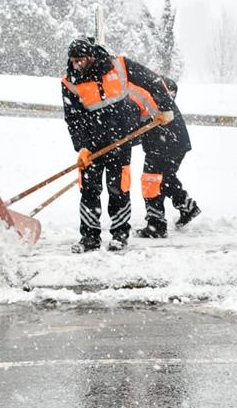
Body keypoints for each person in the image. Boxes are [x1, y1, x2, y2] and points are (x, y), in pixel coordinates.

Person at [61, 37, 163, 252]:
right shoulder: (69, 81)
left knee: (119, 189)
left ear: (91, 56)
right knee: (88, 190)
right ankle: (89, 237)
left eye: (81, 60)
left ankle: (119, 234)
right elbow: (73, 117)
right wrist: (81, 146)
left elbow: (152, 80)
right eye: (73, 61)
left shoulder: (119, 66)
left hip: (121, 139)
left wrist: (162, 107)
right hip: (91, 145)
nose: (77, 65)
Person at [127, 69, 200, 239]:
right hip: (175, 142)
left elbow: (140, 127)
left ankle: (156, 225)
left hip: (164, 144)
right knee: (165, 179)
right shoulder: (149, 91)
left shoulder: (143, 93)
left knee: (151, 181)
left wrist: (125, 140)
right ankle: (187, 207)